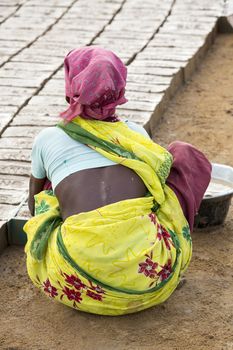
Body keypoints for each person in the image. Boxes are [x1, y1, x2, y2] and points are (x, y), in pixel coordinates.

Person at [24, 47, 211, 316]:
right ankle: (159, 251)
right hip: (150, 279)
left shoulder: (46, 139)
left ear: (71, 84)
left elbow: (33, 208)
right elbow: (156, 195)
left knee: (49, 190)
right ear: (119, 90)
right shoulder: (134, 134)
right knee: (173, 161)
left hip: (74, 278)